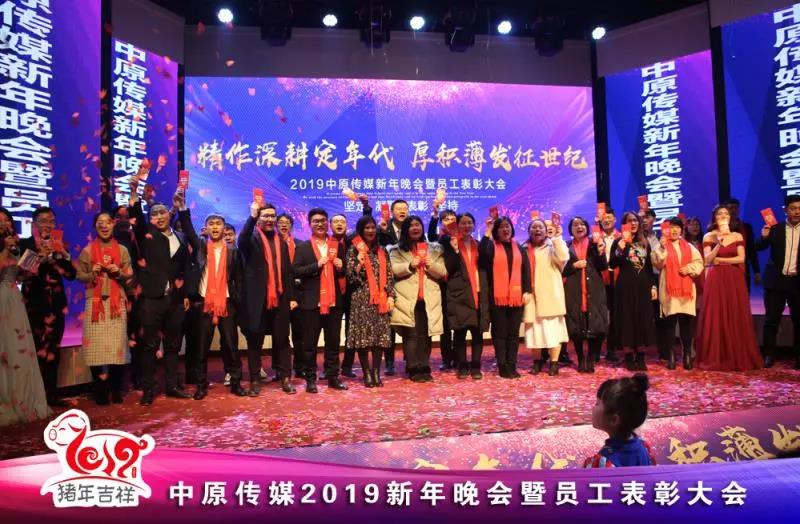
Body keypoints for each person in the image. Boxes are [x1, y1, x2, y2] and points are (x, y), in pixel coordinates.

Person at [128, 171, 192, 406]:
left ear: (169, 214)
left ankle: (172, 385)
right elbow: (135, 215)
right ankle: (148, 390)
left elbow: (184, 267)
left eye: (162, 212)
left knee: (173, 346)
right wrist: (134, 191)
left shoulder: (180, 237)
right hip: (151, 300)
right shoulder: (146, 236)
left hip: (175, 300)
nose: (158, 216)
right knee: (149, 346)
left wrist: (185, 294)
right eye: (153, 213)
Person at [178, 204, 248, 399]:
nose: (215, 227)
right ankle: (201, 386)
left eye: (218, 224)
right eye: (211, 224)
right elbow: (188, 229)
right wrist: (182, 208)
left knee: (231, 346)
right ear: (206, 228)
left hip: (227, 304)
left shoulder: (233, 251)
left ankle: (236, 383)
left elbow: (239, 279)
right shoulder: (200, 247)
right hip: (204, 304)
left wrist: (239, 303)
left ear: (224, 228)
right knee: (201, 348)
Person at [19, 206, 77, 407]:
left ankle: (51, 395)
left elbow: (71, 275)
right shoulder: (25, 243)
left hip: (56, 306)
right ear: (34, 224)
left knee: (54, 351)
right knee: (34, 351)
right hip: (33, 305)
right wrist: (40, 256)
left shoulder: (59, 244)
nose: (48, 225)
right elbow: (22, 275)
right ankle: (34, 396)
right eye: (44, 221)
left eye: (51, 221)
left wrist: (63, 254)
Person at [75, 212, 134, 405]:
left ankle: (116, 389)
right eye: (100, 223)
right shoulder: (87, 250)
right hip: (95, 303)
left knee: (118, 347)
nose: (104, 226)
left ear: (113, 225)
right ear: (95, 226)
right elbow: (79, 275)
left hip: (117, 302)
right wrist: (91, 273)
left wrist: (120, 272)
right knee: (95, 349)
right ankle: (100, 390)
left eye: (108, 222)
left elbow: (130, 273)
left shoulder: (122, 250)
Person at [238, 201, 296, 395]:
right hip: (257, 300)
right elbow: (241, 241)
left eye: (272, 216)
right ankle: (255, 380)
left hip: (280, 299)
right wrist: (252, 216)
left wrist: (291, 297)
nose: (270, 219)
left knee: (283, 340)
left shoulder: (281, 242)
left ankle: (286, 378)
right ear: (258, 219)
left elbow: (287, 273)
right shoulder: (251, 239)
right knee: (255, 341)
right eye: (266, 216)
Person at [696, 205, 763, 371]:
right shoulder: (708, 236)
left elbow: (741, 258)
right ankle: (717, 355)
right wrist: (718, 244)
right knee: (716, 314)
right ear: (714, 217)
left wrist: (721, 261)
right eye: (719, 214)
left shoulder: (737, 235)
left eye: (726, 214)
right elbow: (708, 260)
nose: (723, 216)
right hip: (716, 278)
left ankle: (737, 354)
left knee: (735, 312)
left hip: (734, 277)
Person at [0, 213, 50, 426]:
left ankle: (23, 400)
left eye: (7, 220)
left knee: (18, 349)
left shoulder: (14, 245)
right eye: (0, 220)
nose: (4, 223)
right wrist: (5, 249)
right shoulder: (7, 247)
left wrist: (38, 259)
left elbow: (21, 275)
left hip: (14, 299)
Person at [293, 208, 348, 393]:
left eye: (323, 220)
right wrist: (316, 265)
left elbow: (344, 271)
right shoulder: (303, 247)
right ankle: (310, 379)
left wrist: (341, 267)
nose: (320, 224)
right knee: (309, 345)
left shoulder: (336, 245)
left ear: (327, 223)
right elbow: (296, 271)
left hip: (334, 302)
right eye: (316, 221)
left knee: (333, 343)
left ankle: (333, 377)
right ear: (310, 224)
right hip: (311, 302)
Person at [388, 215, 447, 382]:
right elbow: (392, 270)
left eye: (418, 224)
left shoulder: (435, 249)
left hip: (429, 299)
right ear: (406, 229)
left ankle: (424, 366)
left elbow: (443, 272)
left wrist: (430, 264)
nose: (415, 228)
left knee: (426, 335)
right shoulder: (396, 250)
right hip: (407, 299)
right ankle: (413, 367)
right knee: (411, 335)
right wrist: (409, 265)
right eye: (412, 225)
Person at [345, 216, 396, 387]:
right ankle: (366, 373)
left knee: (379, 339)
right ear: (361, 230)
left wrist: (391, 296)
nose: (370, 230)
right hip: (361, 299)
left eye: (373, 227)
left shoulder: (382, 251)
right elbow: (350, 278)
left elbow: (390, 275)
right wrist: (359, 263)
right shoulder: (353, 250)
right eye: (367, 228)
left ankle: (376, 372)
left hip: (381, 299)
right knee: (363, 339)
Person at [480, 215, 532, 378]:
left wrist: (527, 290)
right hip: (497, 298)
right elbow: (481, 253)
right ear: (497, 230)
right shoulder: (491, 247)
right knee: (500, 333)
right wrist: (488, 230)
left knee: (513, 334)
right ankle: (502, 365)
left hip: (516, 298)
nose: (505, 229)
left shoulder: (519, 248)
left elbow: (526, 270)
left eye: (507, 226)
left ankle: (512, 364)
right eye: (502, 226)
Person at [651, 217, 703, 370]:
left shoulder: (689, 246)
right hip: (669, 289)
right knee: (670, 324)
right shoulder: (661, 246)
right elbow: (657, 264)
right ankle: (671, 356)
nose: (674, 230)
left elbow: (699, 262)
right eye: (671, 227)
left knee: (686, 324)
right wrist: (662, 249)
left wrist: (689, 269)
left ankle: (687, 355)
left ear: (681, 229)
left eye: (677, 227)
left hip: (686, 290)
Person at [443, 213, 489, 379]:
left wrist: (488, 233)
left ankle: (476, 365)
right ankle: (462, 365)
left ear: (474, 225)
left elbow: (486, 263)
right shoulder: (450, 244)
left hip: (478, 292)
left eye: (470, 223)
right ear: (458, 226)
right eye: (463, 223)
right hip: (460, 294)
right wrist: (455, 250)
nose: (467, 226)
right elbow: (449, 268)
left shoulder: (479, 245)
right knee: (460, 332)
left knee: (477, 333)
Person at [609, 212, 657, 371]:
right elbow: (612, 264)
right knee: (627, 320)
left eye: (635, 220)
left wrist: (653, 286)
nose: (633, 223)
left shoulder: (645, 242)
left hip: (642, 287)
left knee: (642, 319)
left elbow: (649, 268)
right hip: (625, 287)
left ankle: (641, 356)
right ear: (624, 224)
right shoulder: (618, 242)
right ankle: (629, 355)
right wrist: (619, 250)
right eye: (630, 221)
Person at [757, 195, 800, 369]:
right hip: (776, 282)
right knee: (771, 320)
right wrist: (764, 237)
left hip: (797, 282)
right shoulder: (775, 228)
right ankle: (769, 355)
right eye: (793, 208)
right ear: (786, 210)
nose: (797, 212)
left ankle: (798, 357)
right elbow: (758, 247)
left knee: (799, 321)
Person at [523, 218, 570, 376]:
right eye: (534, 227)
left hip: (551, 297)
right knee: (534, 333)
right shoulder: (524, 249)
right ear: (529, 231)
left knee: (553, 332)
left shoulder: (552, 246)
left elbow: (563, 258)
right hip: (532, 298)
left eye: (540, 227)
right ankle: (537, 362)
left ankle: (554, 363)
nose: (537, 230)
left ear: (545, 231)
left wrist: (557, 238)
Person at [563, 217, 608, 373]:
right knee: (576, 327)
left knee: (595, 326)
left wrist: (601, 253)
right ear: (571, 229)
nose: (579, 227)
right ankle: (581, 358)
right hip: (574, 290)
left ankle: (590, 358)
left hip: (594, 290)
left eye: (582, 224)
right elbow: (561, 269)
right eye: (575, 225)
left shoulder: (595, 244)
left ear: (587, 227)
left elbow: (603, 267)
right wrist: (574, 266)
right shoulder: (566, 246)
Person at [584, 374, 656, 468]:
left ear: (614, 420)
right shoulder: (644, 448)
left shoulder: (603, 463)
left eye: (597, 403)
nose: (593, 407)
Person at [378, 199, 410, 376]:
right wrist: (381, 230)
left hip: (407, 280)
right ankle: (389, 362)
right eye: (399, 208)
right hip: (387, 280)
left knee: (407, 321)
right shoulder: (384, 228)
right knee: (389, 325)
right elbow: (378, 247)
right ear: (392, 211)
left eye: (405, 208)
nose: (402, 211)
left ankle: (409, 359)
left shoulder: (412, 228)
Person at [428, 207, 458, 371]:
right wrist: (434, 215)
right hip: (443, 285)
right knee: (445, 325)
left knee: (458, 323)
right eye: (446, 219)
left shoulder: (462, 238)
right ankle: (447, 358)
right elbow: (431, 234)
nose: (450, 222)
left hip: (459, 285)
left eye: (452, 219)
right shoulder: (438, 240)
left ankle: (459, 357)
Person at [277, 212, 304, 380]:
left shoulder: (300, 245)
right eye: (280, 222)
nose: (283, 225)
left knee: (299, 333)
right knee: (280, 334)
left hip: (299, 293)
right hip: (280, 294)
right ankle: (279, 368)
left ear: (291, 226)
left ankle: (300, 367)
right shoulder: (273, 245)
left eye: (286, 222)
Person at [723, 198, 761, 291]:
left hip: (743, 268)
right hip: (724, 269)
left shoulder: (747, 227)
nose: (733, 211)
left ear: (739, 210)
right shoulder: (719, 228)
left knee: (744, 295)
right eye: (730, 208)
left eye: (736, 208)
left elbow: (751, 250)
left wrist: (756, 271)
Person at [598, 208, 621, 364]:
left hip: (617, 278)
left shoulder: (622, 237)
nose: (607, 220)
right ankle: (596, 349)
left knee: (614, 314)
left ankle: (612, 349)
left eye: (610, 218)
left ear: (615, 220)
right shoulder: (596, 237)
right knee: (600, 314)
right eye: (604, 218)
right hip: (599, 278)